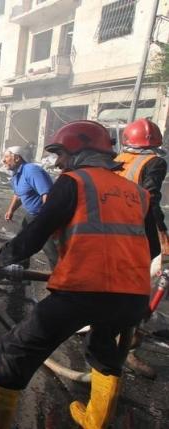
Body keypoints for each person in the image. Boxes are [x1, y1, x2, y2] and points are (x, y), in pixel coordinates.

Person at [0, 121, 154, 429]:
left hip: (83, 292)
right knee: (104, 351)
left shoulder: (74, 182)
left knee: (17, 349)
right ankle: (95, 421)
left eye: (61, 154)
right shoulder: (137, 193)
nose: (57, 162)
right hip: (133, 297)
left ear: (79, 151)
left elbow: (35, 234)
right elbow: (150, 246)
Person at [115, 118, 168, 379]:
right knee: (137, 291)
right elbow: (151, 199)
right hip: (136, 232)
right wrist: (162, 236)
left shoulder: (119, 158)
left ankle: (103, 333)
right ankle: (125, 348)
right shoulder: (155, 162)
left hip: (109, 229)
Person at [3, 145, 57, 269]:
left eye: (6, 157)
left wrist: (45, 219)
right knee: (22, 241)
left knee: (50, 249)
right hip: (31, 215)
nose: (3, 160)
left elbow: (47, 194)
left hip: (42, 215)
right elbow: (18, 195)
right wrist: (11, 210)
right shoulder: (16, 175)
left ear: (17, 158)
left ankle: (60, 277)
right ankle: (21, 269)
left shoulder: (31, 171)